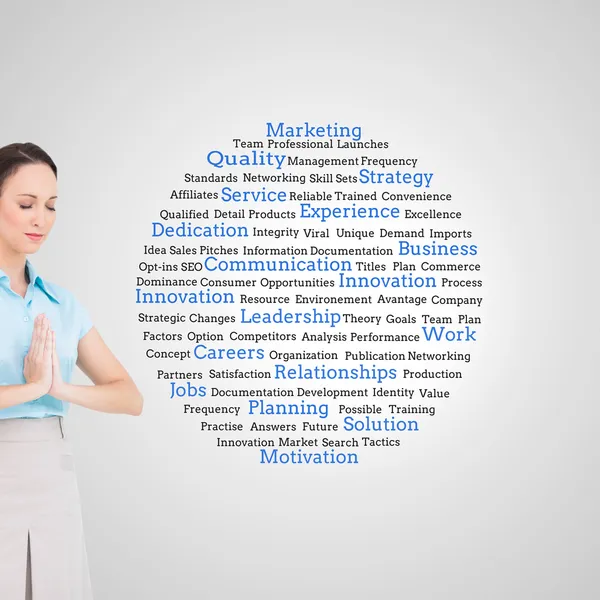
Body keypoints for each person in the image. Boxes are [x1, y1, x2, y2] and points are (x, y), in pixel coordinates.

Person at [0, 142, 143, 599]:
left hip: (53, 473)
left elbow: (129, 397)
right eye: (25, 204)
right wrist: (30, 389)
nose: (40, 218)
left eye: (51, 205)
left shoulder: (62, 303)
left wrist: (60, 387)